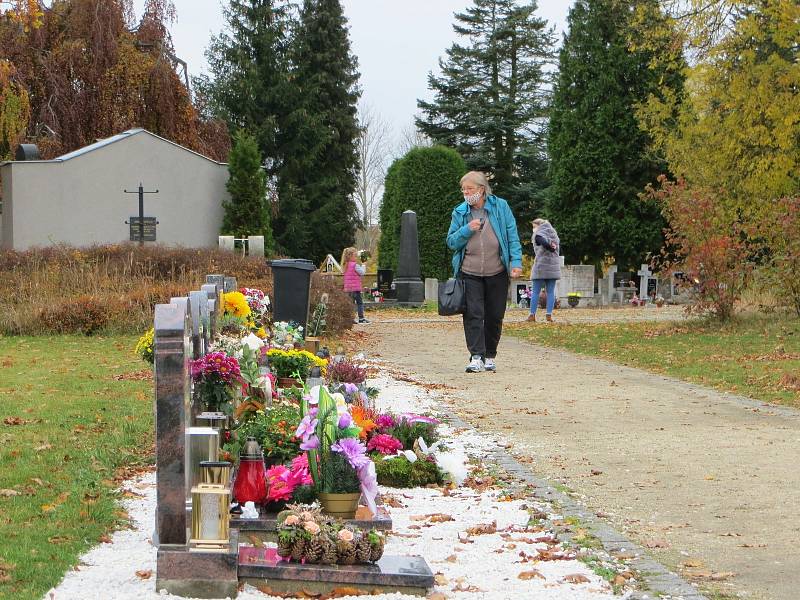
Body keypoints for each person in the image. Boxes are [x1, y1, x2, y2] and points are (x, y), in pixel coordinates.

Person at [446, 171, 522, 373]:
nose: (466, 193)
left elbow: (512, 236)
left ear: (481, 189)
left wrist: (516, 262)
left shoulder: (500, 207)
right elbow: (451, 242)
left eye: (469, 189)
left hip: (497, 271)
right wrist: (467, 229)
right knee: (473, 314)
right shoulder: (460, 212)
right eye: (463, 189)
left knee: (495, 315)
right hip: (469, 272)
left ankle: (490, 355)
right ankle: (476, 356)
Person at [527, 218, 561, 323]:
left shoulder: (539, 234)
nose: (533, 229)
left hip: (541, 267)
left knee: (536, 292)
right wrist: (552, 248)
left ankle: (532, 315)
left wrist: (549, 247)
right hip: (553, 267)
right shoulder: (554, 234)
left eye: (534, 227)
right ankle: (549, 315)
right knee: (551, 292)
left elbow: (542, 241)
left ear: (538, 225)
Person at [341, 247, 370, 324]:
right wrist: (363, 265)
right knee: (359, 303)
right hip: (355, 289)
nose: (356, 258)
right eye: (355, 256)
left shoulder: (345, 266)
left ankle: (350, 319)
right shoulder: (355, 265)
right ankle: (361, 318)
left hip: (348, 289)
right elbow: (362, 273)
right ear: (350, 256)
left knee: (351, 304)